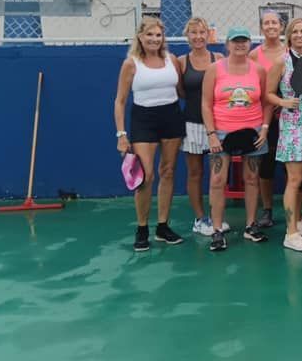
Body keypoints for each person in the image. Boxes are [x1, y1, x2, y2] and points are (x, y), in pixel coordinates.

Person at [114, 17, 186, 252]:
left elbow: (182, 91)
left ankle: (163, 226)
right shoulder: (131, 64)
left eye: (158, 35)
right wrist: (121, 135)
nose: (154, 39)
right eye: (150, 35)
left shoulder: (172, 60)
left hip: (171, 117)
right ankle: (142, 228)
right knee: (146, 176)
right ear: (140, 37)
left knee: (168, 171)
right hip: (143, 120)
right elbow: (120, 101)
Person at [201, 26, 271, 252]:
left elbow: (266, 102)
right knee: (217, 180)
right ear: (228, 44)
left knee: (251, 179)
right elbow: (206, 104)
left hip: (253, 132)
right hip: (221, 133)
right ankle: (217, 230)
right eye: (235, 41)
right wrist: (211, 134)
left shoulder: (258, 70)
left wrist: (264, 129)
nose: (240, 45)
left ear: (250, 43)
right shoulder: (214, 69)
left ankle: (251, 226)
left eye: (244, 41)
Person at [266, 18, 302, 252]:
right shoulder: (281, 62)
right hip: (292, 126)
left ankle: (299, 221)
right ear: (289, 36)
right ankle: (290, 234)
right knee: (294, 180)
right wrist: (283, 102)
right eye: (295, 31)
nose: (300, 35)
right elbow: (268, 93)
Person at [177, 17, 228, 237]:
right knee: (195, 173)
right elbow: (181, 92)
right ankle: (200, 219)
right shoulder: (181, 62)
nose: (198, 37)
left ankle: (216, 218)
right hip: (192, 125)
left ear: (208, 35)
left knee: (218, 175)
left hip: (218, 125)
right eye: (193, 33)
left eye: (202, 32)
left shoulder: (219, 59)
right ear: (187, 36)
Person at [251, 11, 287, 228]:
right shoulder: (254, 55)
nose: (271, 26)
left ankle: (295, 213)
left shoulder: (291, 51)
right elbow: (251, 86)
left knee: (292, 165)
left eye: (275, 22)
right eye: (267, 23)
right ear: (262, 27)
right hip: (264, 117)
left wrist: (283, 104)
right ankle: (267, 210)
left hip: (289, 116)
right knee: (266, 164)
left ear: (281, 27)